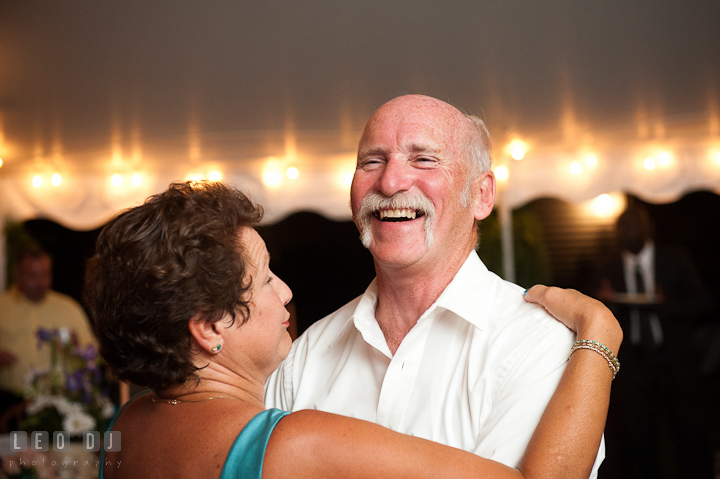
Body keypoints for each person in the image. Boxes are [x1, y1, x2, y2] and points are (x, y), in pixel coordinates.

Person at [83, 181, 621, 479]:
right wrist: (599, 340)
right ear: (208, 327)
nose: (286, 293)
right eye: (265, 277)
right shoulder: (296, 442)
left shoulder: (125, 430)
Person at [265, 94, 605, 475]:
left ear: (481, 195)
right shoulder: (307, 354)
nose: (391, 182)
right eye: (372, 161)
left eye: (423, 159)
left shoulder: (539, 344)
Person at [594, 203, 714, 479]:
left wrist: (665, 306)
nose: (626, 232)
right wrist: (607, 302)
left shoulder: (674, 260)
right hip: (634, 363)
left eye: (632, 226)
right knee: (638, 435)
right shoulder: (608, 268)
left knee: (689, 428)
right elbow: (596, 312)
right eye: (621, 227)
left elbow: (703, 303)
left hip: (674, 357)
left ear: (647, 230)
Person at [0, 246, 95, 394]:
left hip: (59, 397)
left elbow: (92, 353)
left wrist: (77, 349)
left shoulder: (69, 308)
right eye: (32, 275)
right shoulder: (3, 307)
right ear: (17, 275)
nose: (40, 282)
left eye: (45, 274)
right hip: (9, 399)